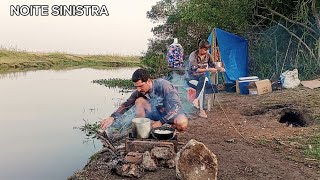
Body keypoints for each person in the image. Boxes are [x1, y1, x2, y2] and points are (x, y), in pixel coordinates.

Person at [100, 68, 188, 132]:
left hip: (171, 113)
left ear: (148, 81)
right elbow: (126, 105)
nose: (138, 89)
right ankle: (143, 128)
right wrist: (112, 117)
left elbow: (177, 107)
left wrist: (160, 122)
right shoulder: (139, 92)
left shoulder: (163, 85)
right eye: (136, 87)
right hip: (156, 114)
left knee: (182, 124)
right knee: (139, 101)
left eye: (141, 86)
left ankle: (168, 126)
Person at [187, 39, 225, 118]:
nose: (206, 51)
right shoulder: (193, 55)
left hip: (201, 78)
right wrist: (208, 69)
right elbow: (195, 70)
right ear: (200, 48)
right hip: (191, 77)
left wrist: (219, 68)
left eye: (207, 50)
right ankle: (201, 109)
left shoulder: (208, 55)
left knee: (203, 80)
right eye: (204, 49)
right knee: (204, 82)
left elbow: (213, 65)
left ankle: (197, 102)